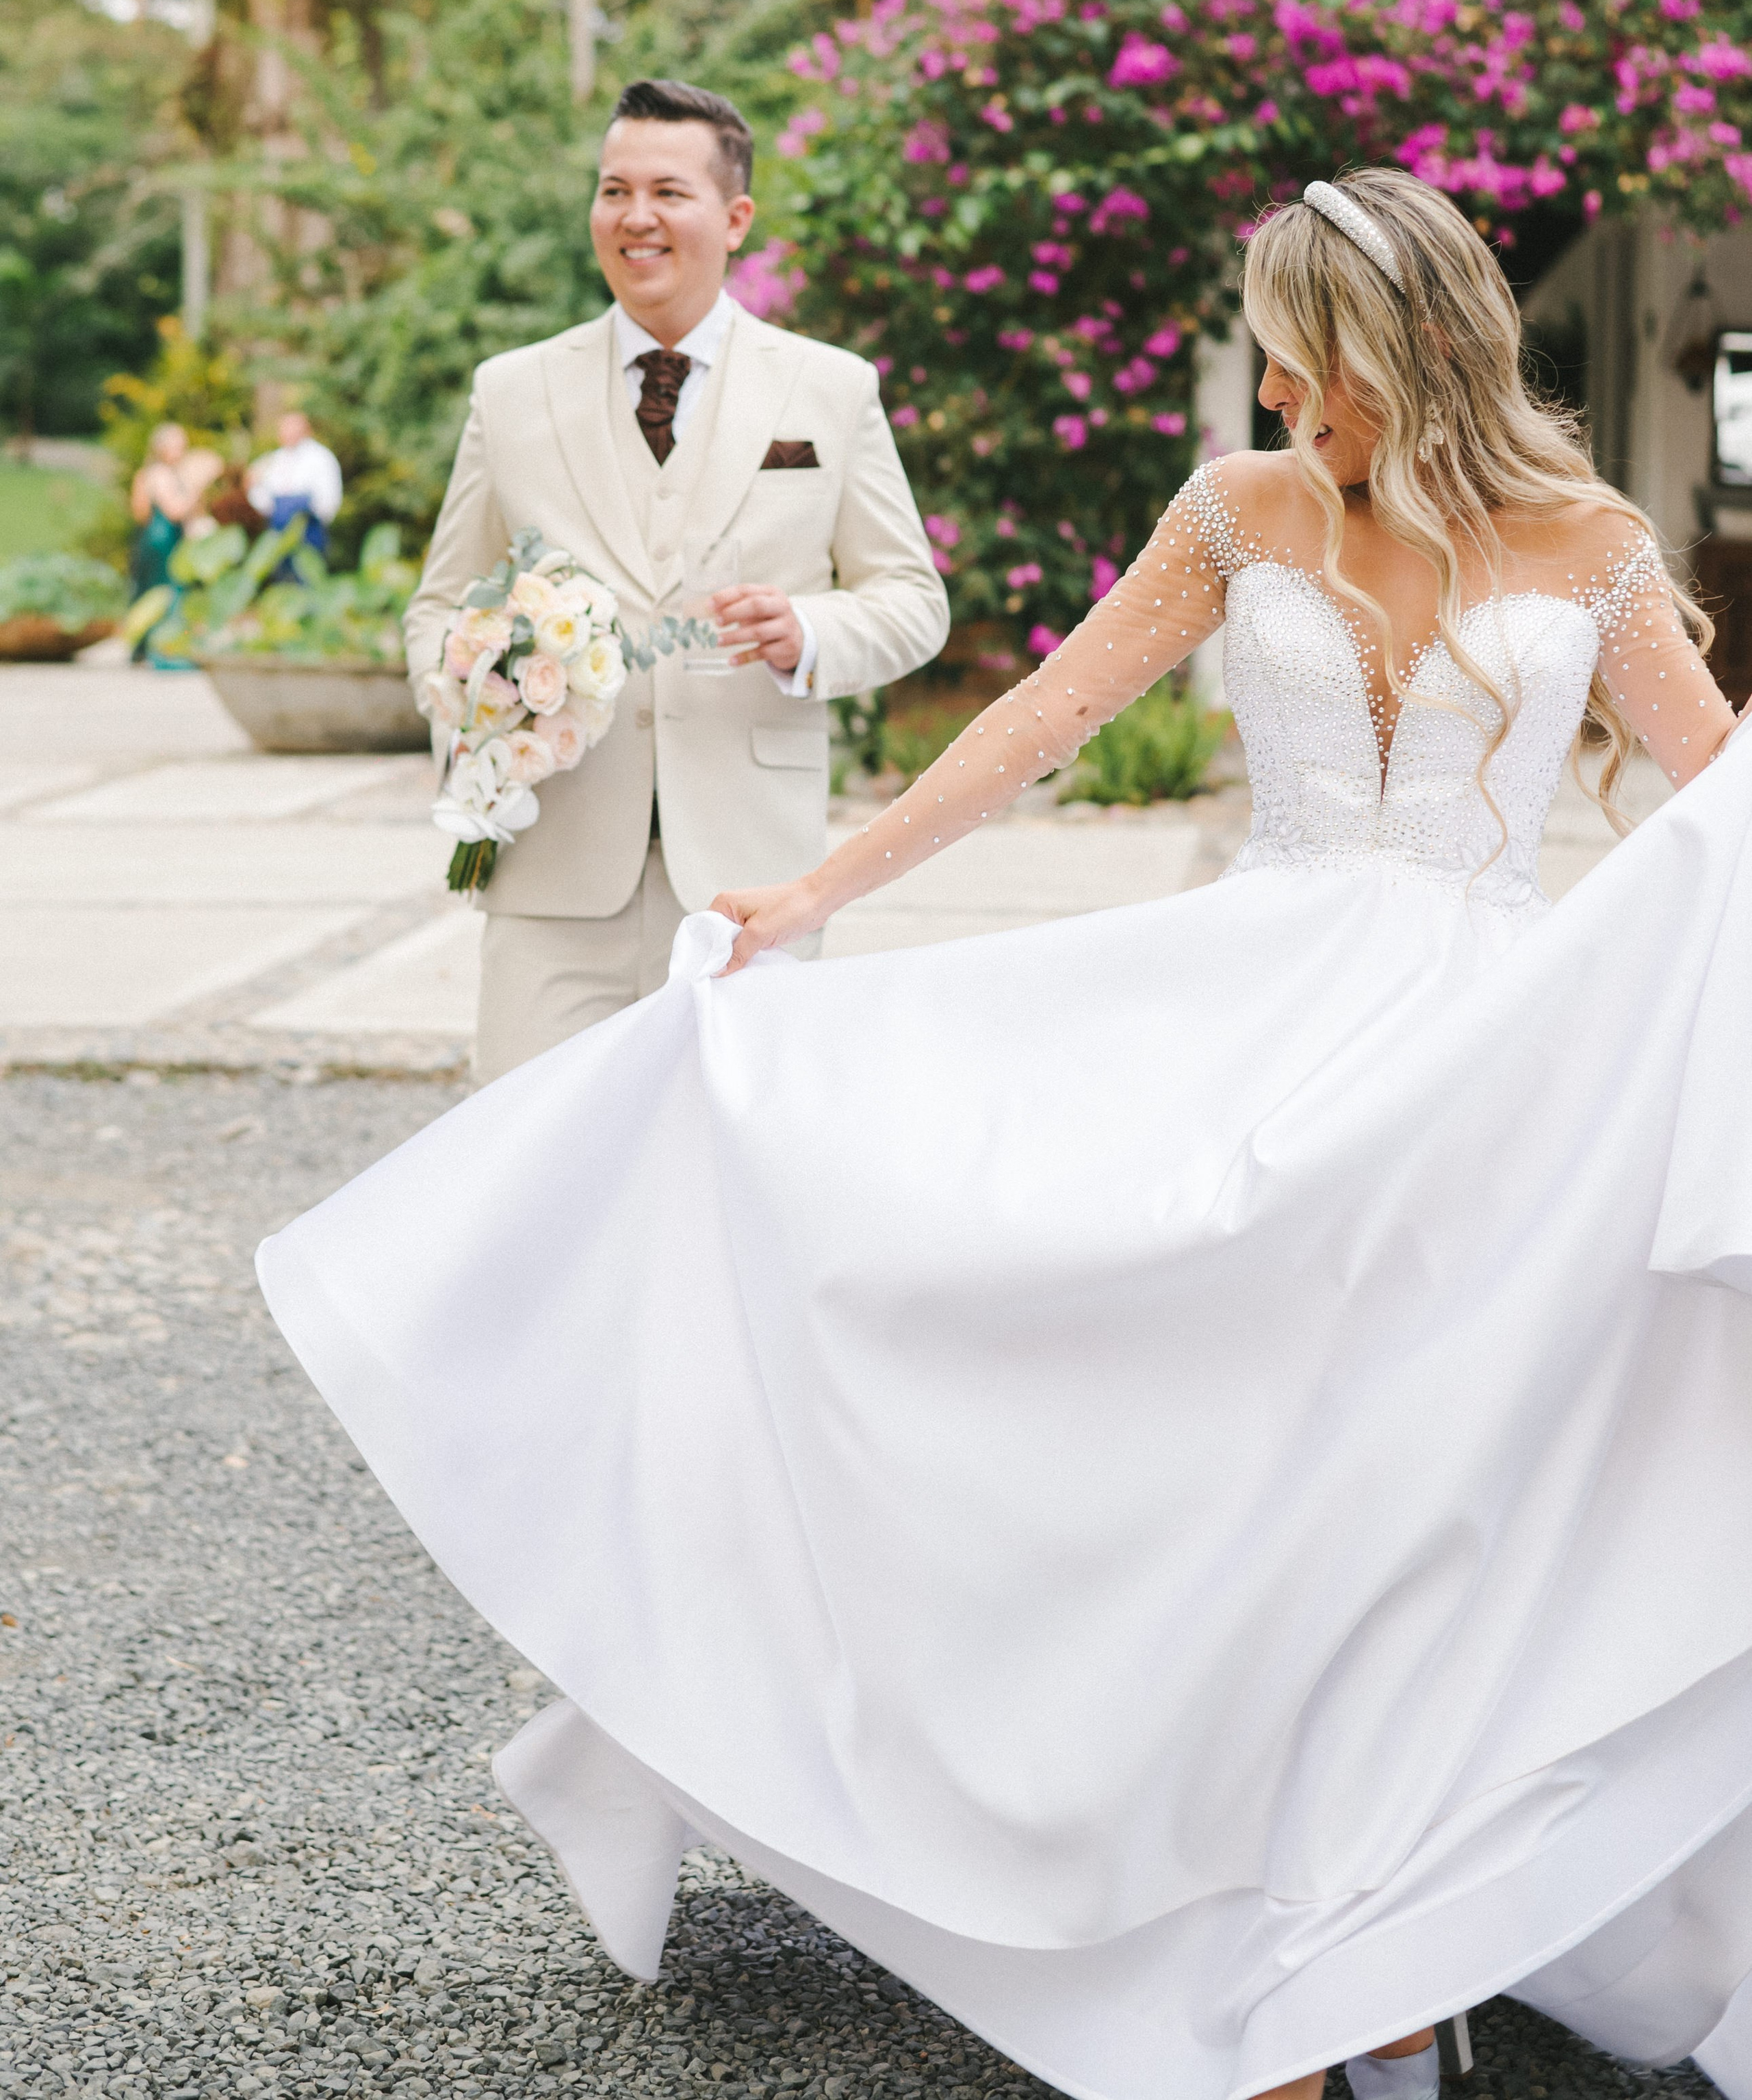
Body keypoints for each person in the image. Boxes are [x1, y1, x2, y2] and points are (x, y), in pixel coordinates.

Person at [259, 168, 1752, 2100]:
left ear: (1402, 351)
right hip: (1254, 1014)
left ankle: (1380, 1941)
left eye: (1300, 359)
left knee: (1432, 1484)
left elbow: (1719, 814)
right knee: (1235, 1453)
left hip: (1490, 1068)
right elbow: (1042, 716)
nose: (1273, 393)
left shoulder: (1592, 542)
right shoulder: (1238, 509)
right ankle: (1252, 1925)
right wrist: (818, 893)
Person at [402, 75, 950, 1084]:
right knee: (533, 1145)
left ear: (735, 218)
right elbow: (441, 607)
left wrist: (810, 633)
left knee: (731, 1147)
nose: (635, 216)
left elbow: (914, 602)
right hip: (552, 865)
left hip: (752, 879)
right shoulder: (512, 391)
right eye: (614, 190)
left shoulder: (829, 387)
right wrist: (482, 693)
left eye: (667, 192)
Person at [129, 422, 221, 592]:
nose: (182, 451)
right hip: (163, 541)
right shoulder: (159, 473)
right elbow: (174, 512)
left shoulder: (172, 472)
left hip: (168, 539)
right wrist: (198, 486)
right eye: (178, 447)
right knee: (165, 591)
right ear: (163, 449)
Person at [246, 408, 344, 557]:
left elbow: (329, 499)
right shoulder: (274, 459)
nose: (287, 432)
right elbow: (256, 490)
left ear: (306, 430)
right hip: (277, 531)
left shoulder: (321, 458)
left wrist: (308, 517)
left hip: (309, 531)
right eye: (284, 428)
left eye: (293, 427)